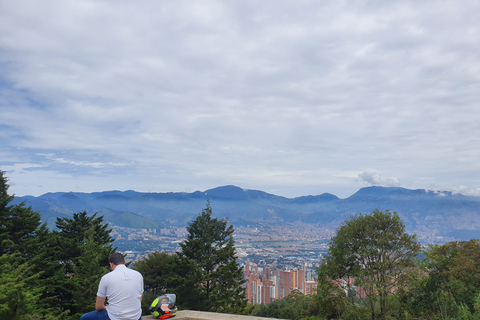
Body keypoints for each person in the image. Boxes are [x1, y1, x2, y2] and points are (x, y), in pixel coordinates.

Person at [80, 252, 144, 320]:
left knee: (84, 318)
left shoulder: (106, 278)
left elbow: (98, 306)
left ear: (111, 264)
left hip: (115, 317)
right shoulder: (138, 275)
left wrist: (106, 307)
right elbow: (139, 299)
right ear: (124, 262)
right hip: (136, 317)